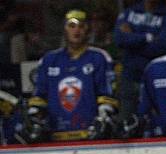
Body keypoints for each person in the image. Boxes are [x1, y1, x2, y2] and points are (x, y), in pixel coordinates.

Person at [17, 9, 117, 143]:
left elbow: (107, 95)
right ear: (64, 29)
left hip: (90, 135)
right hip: (56, 136)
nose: (77, 31)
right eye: (72, 26)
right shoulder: (49, 60)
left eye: (81, 26)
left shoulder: (99, 57)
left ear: (88, 30)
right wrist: (34, 116)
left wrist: (103, 117)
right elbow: (39, 96)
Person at [114, 0, 166, 122]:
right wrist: (148, 37)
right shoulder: (129, 12)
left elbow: (163, 47)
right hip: (130, 77)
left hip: (155, 79)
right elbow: (120, 39)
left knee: (155, 120)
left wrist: (133, 40)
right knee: (125, 122)